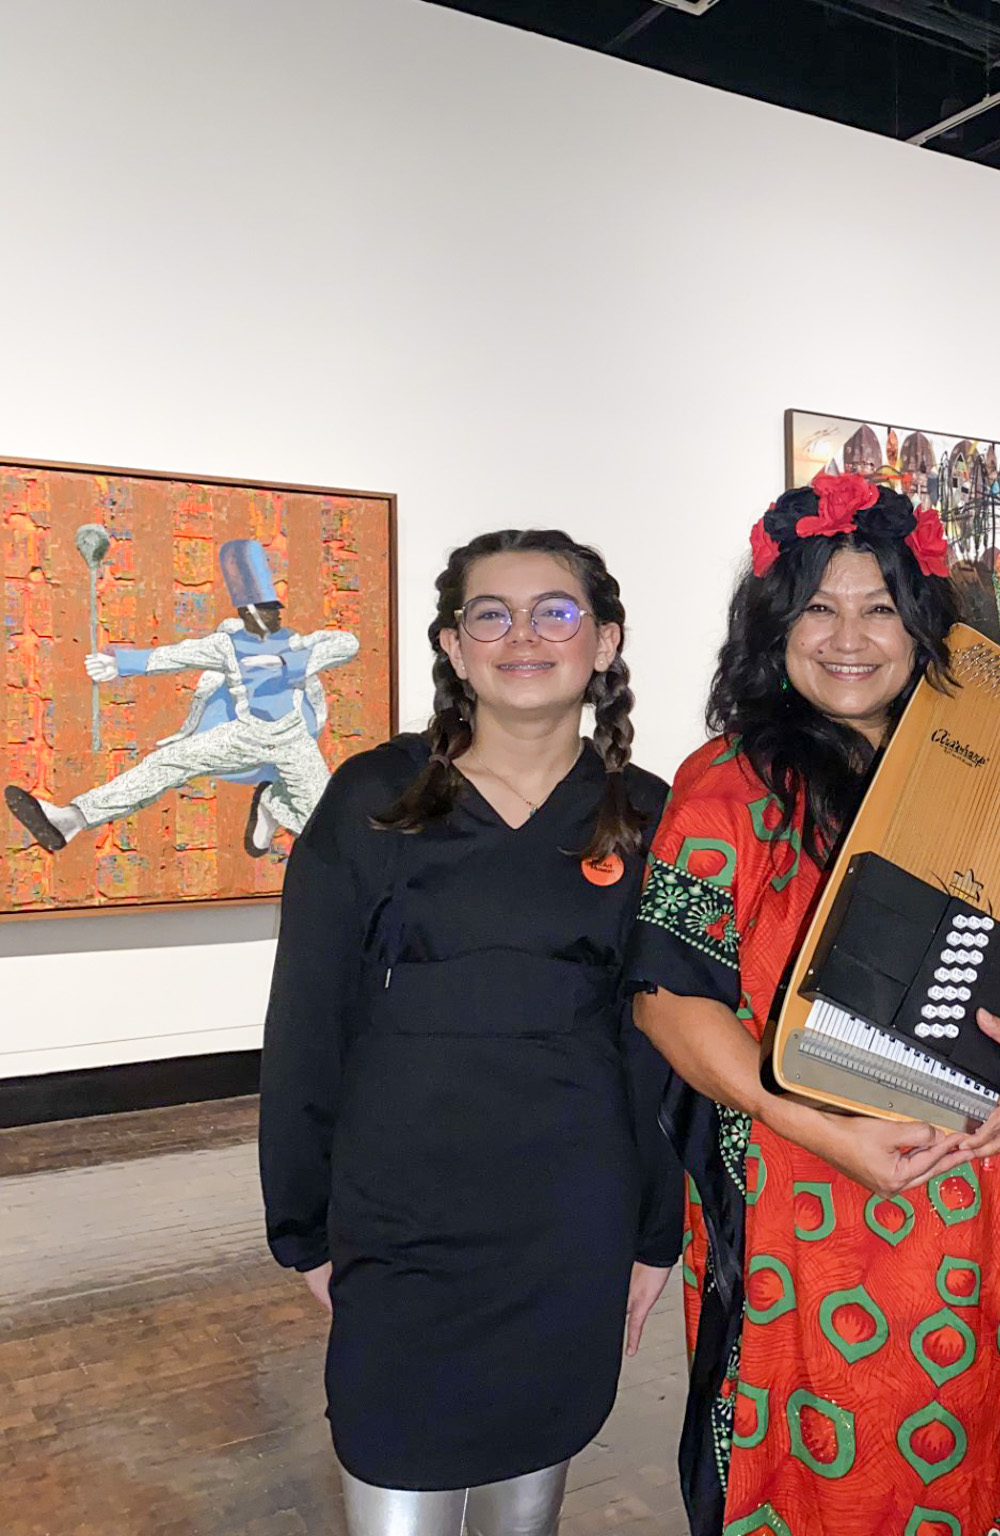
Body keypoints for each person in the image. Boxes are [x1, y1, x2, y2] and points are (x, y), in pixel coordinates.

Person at [628, 471, 1000, 1536]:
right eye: (818, 609)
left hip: (983, 1212)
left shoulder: (983, 777)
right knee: (811, 1477)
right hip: (807, 1209)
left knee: (976, 1460)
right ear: (774, 626)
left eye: (879, 608)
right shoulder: (727, 787)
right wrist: (819, 1128)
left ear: (921, 623)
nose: (850, 637)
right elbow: (667, 999)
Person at [258, 529, 683, 1536]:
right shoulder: (374, 799)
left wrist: (655, 1230)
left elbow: (662, 1042)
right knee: (391, 1456)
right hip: (403, 1212)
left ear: (606, 641)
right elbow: (307, 1025)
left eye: (556, 611)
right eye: (490, 613)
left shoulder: (650, 817)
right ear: (453, 646)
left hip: (570, 1215)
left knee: (528, 1488)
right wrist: (303, 1227)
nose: (522, 635)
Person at [7, 539, 361, 858]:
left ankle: (271, 803)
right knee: (165, 763)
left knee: (322, 823)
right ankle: (70, 818)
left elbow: (347, 643)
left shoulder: (295, 641)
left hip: (292, 740)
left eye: (275, 607)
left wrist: (286, 662)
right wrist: (118, 664)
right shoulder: (225, 645)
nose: (274, 614)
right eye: (266, 608)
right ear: (247, 612)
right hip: (244, 736)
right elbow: (173, 656)